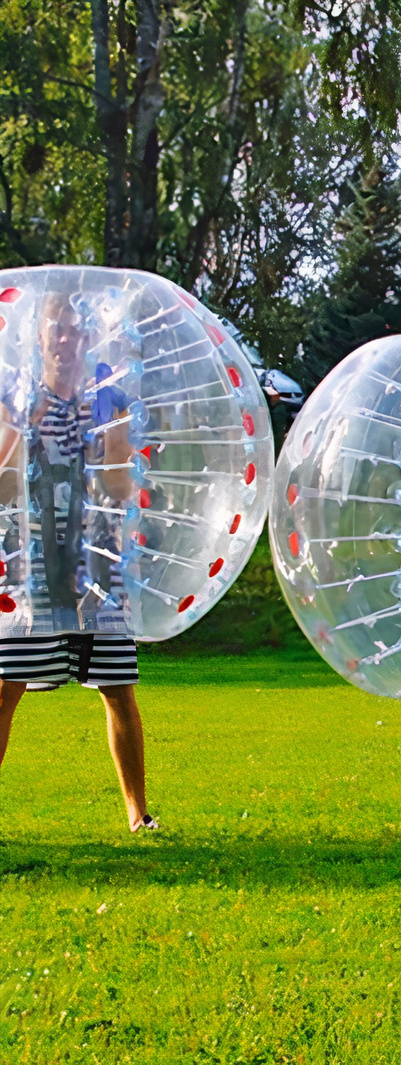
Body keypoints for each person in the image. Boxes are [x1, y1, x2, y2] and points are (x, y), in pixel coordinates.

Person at [0, 289, 157, 833]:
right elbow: (1, 487)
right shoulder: (17, 397)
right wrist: (24, 424)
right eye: (56, 329)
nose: (66, 339)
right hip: (32, 562)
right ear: (40, 337)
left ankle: (139, 815)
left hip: (98, 560)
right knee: (4, 688)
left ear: (87, 338)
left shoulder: (107, 399)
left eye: (75, 329)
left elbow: (117, 486)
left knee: (117, 689)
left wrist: (109, 436)